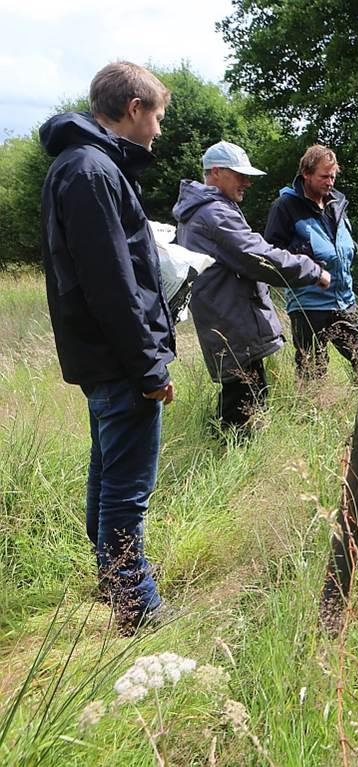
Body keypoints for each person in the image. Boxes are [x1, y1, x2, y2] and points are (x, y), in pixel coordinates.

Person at [40, 62, 174, 634]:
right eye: (159, 117)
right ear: (135, 107)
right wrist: (148, 366)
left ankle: (115, 585)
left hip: (104, 358)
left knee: (108, 476)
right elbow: (111, 284)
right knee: (127, 489)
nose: (160, 131)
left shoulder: (83, 165)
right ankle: (137, 608)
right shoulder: (92, 170)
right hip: (120, 360)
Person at [173, 141, 331, 434]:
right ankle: (228, 469)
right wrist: (313, 271)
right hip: (232, 324)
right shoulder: (214, 214)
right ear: (217, 172)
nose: (247, 182)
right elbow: (259, 257)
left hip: (228, 321)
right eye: (239, 174)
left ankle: (224, 459)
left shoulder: (205, 210)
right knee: (243, 415)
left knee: (243, 402)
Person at [265, 145, 358, 381]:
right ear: (306, 174)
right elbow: (273, 254)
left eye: (333, 176)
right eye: (324, 176)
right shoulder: (285, 207)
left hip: (345, 301)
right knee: (312, 372)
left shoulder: (337, 204)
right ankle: (308, 416)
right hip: (308, 305)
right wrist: (307, 263)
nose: (330, 182)